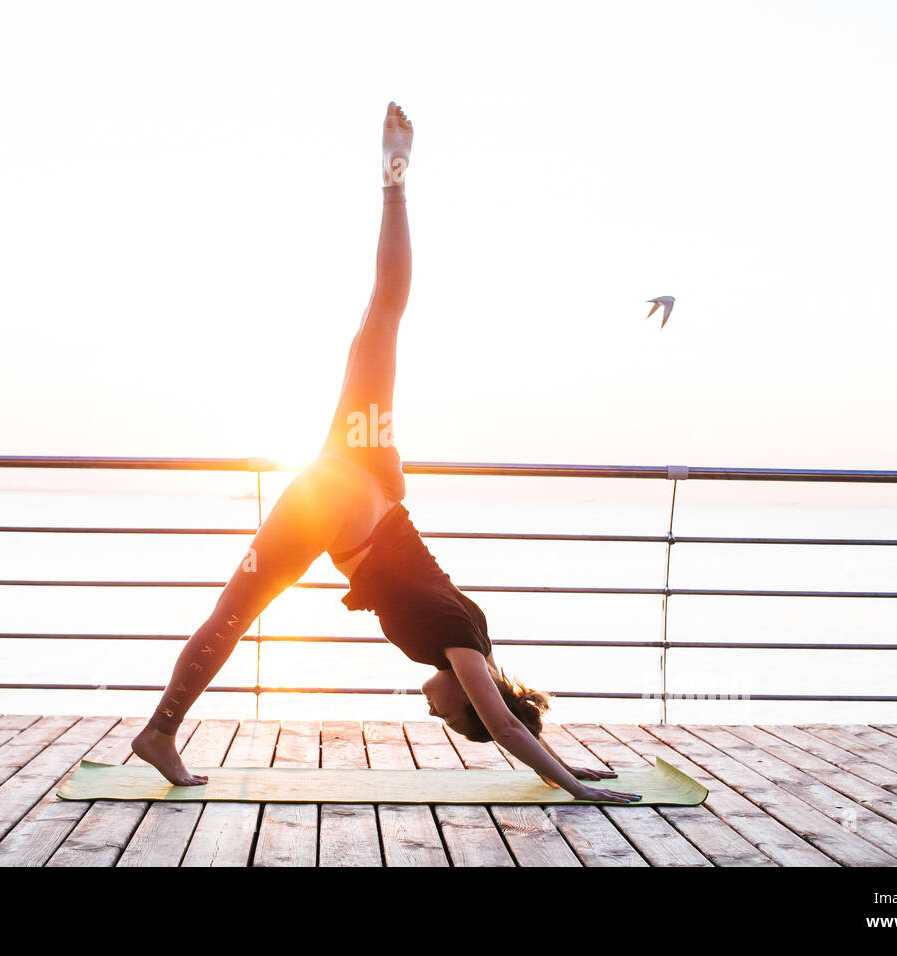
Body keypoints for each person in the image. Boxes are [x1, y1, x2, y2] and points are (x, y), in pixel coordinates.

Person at [131, 103, 640, 804]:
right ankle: (394, 178)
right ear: (466, 697)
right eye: (449, 715)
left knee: (380, 317)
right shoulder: (461, 649)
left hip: (359, 474)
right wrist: (575, 788)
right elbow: (505, 725)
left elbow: (509, 719)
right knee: (383, 317)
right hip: (343, 503)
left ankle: (160, 733)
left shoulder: (476, 646)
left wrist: (559, 759)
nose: (432, 710)